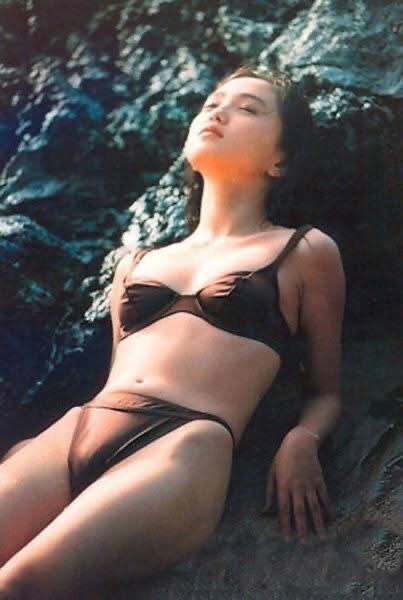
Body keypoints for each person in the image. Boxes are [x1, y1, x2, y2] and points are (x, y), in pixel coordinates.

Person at [0, 63, 345, 598]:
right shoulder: (136, 262)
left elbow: (325, 391)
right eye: (212, 103)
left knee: (17, 586)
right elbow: (120, 374)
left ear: (279, 160)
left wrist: (303, 439)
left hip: (183, 445)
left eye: (248, 108)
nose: (219, 112)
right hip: (81, 428)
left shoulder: (304, 251)